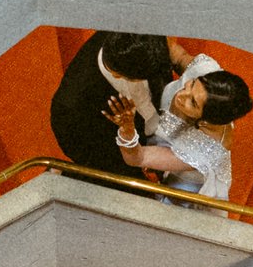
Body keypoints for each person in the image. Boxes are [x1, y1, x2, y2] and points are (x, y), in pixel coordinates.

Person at [106, 54, 253, 200]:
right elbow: (179, 56)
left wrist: (127, 129)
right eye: (193, 83)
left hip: (182, 182)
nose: (182, 94)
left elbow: (138, 158)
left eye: (193, 102)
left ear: (204, 122)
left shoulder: (200, 153)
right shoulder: (205, 71)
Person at [48, 30, 177, 176]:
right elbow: (90, 155)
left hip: (163, 126)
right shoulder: (70, 107)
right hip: (116, 148)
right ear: (117, 74)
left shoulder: (144, 36)